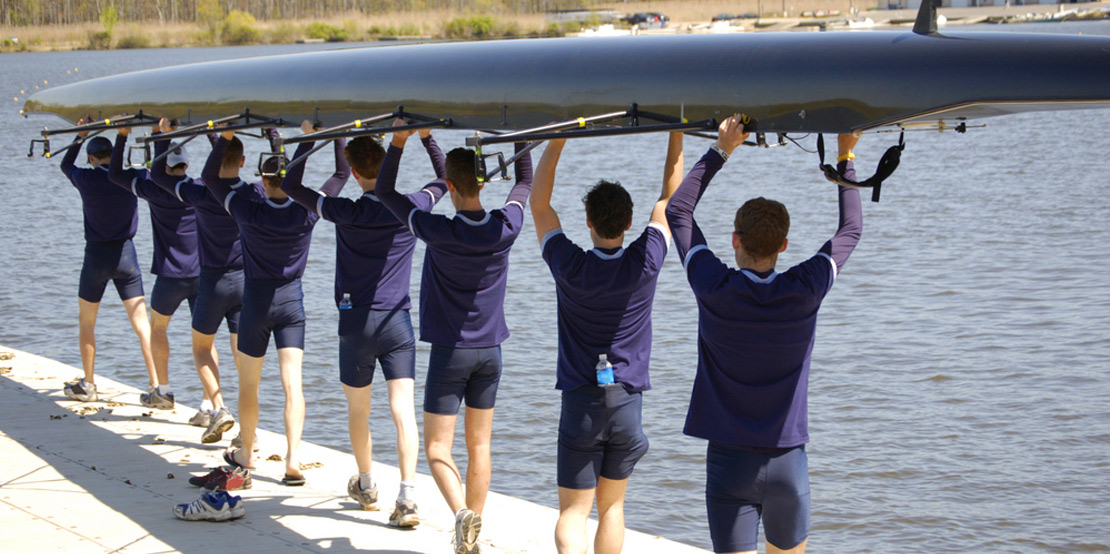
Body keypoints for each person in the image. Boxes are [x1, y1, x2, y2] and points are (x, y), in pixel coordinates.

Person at [664, 116, 863, 554]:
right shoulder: (805, 288)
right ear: (785, 245)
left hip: (729, 462)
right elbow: (850, 231)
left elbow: (677, 210)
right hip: (787, 462)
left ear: (734, 239)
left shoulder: (713, 285)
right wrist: (845, 157)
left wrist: (722, 149)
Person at [376, 121, 532, 554]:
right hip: (491, 353)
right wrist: (520, 129)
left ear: (448, 185)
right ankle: (472, 532)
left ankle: (462, 515)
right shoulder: (507, 225)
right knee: (479, 444)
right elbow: (524, 180)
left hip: (450, 354)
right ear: (483, 181)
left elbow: (386, 193)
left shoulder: (437, 229)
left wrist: (403, 141)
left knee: (436, 447)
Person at [281, 125, 446, 527]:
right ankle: (407, 497)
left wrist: (313, 138)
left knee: (360, 409)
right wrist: (425, 138)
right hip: (397, 323)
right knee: (402, 411)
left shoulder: (345, 211)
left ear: (354, 173)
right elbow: (445, 180)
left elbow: (290, 183)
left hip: (355, 323)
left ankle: (368, 485)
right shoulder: (410, 206)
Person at [530, 134, 682, 554]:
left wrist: (558, 140)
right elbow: (670, 198)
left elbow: (539, 205)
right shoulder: (645, 262)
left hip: (581, 402)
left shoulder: (571, 266)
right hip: (627, 404)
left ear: (587, 221)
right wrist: (677, 132)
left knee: (573, 513)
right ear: (630, 223)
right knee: (612, 509)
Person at [200, 121, 349, 488]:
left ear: (262, 181)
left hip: (255, 303)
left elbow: (210, 177)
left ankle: (246, 454)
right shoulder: (307, 212)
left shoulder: (247, 210)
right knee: (292, 385)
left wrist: (227, 138)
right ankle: (293, 460)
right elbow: (342, 172)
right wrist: (319, 136)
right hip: (291, 304)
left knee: (248, 388)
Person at [149, 119, 248, 444]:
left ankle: (182, 395)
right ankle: (240, 423)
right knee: (239, 352)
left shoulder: (196, 192)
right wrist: (220, 136)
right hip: (236, 280)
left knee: (189, 341)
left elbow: (157, 175)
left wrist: (160, 137)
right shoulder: (249, 194)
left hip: (197, 278)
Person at [58, 119, 157, 403]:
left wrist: (79, 136)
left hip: (96, 257)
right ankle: (157, 384)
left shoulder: (87, 179)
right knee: (141, 323)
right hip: (127, 255)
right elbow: (150, 168)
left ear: (91, 158)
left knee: (87, 322)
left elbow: (66, 166)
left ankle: (88, 384)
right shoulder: (128, 179)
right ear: (113, 157)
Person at [107, 124, 202, 411]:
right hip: (201, 274)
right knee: (205, 343)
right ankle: (210, 401)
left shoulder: (153, 189)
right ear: (186, 164)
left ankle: (163, 390)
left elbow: (114, 174)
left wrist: (123, 136)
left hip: (170, 276)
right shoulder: (199, 188)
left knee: (158, 328)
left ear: (163, 166)